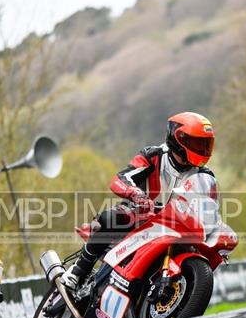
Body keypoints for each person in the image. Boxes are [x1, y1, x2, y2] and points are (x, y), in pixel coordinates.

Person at [52, 111, 216, 305]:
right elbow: (120, 179)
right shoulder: (154, 155)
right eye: (198, 143)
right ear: (179, 140)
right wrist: (136, 194)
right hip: (140, 215)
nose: (203, 149)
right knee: (111, 218)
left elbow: (210, 206)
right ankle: (78, 271)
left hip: (175, 227)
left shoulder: (204, 175)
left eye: (206, 144)